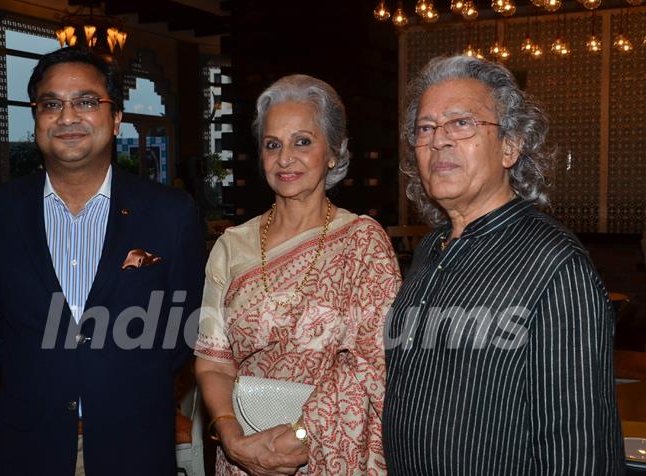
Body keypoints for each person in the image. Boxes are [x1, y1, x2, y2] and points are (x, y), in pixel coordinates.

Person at [0, 47, 204, 475]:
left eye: (87, 101)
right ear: (36, 119)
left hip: (135, 441)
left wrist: (117, 372)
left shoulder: (171, 213)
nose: (67, 116)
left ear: (115, 119)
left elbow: (184, 329)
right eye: (51, 104)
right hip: (32, 442)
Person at [383, 55, 624, 474]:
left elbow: (579, 448)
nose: (439, 140)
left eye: (462, 123)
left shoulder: (553, 265)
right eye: (425, 128)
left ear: (510, 146)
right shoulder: (430, 250)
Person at [194, 74, 401, 475]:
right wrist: (232, 437)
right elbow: (213, 362)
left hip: (332, 449)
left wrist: (302, 435)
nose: (285, 158)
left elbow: (373, 364)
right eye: (273, 144)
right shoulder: (232, 246)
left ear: (334, 153)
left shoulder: (363, 242)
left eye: (302, 141)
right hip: (247, 449)